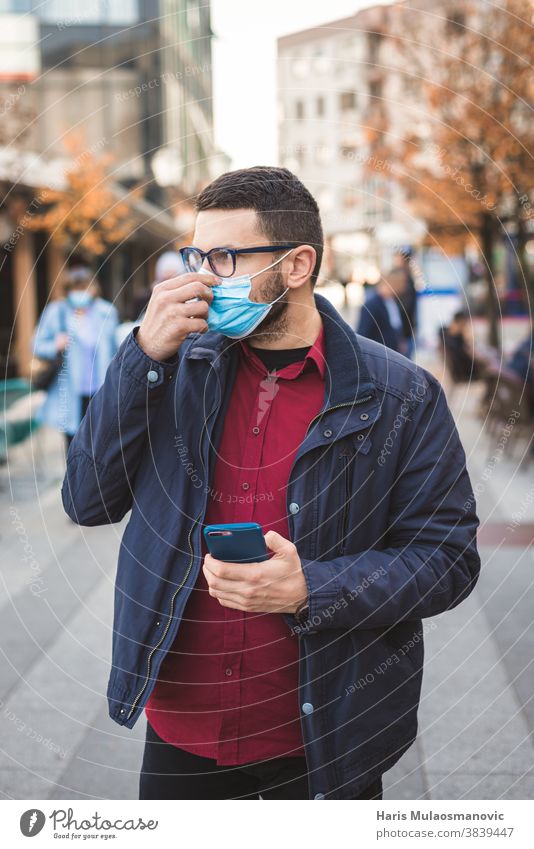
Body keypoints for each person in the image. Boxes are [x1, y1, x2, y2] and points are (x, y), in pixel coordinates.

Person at [62, 166, 480, 801]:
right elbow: (86, 500)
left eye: (226, 257)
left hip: (323, 743)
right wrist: (140, 357)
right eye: (196, 255)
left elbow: (448, 558)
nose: (202, 277)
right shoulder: (169, 369)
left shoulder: (400, 395)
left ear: (297, 265)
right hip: (182, 737)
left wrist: (314, 586)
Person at [32, 267, 118, 451]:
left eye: (85, 287)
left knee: (100, 445)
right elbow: (37, 345)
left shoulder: (106, 312)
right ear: (68, 290)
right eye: (76, 288)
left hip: (100, 390)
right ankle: (74, 480)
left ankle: (97, 480)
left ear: (94, 289)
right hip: (70, 393)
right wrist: (55, 344)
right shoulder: (57, 312)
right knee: (74, 446)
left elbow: (115, 350)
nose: (81, 293)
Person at [356, 268, 408, 354]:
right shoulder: (371, 305)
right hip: (379, 356)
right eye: (401, 283)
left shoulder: (392, 300)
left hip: (393, 353)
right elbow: (362, 335)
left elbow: (396, 325)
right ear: (392, 283)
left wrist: (400, 341)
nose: (403, 287)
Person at [393, 248, 418, 358]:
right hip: (406, 332)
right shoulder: (405, 277)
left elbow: (405, 308)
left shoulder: (406, 278)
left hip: (405, 332)